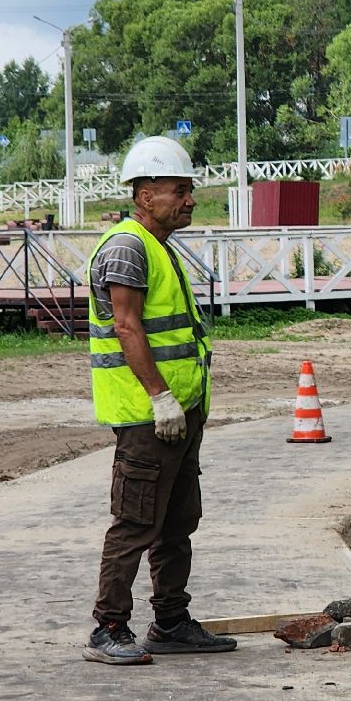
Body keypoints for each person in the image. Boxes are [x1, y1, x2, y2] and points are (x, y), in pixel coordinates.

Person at [82, 136, 236, 664]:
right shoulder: (127, 247)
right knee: (136, 521)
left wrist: (183, 404)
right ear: (145, 194)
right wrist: (161, 397)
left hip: (178, 413)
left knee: (176, 521)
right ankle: (108, 628)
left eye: (190, 190)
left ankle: (170, 620)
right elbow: (127, 327)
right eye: (180, 190)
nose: (190, 199)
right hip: (149, 414)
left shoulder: (159, 245)